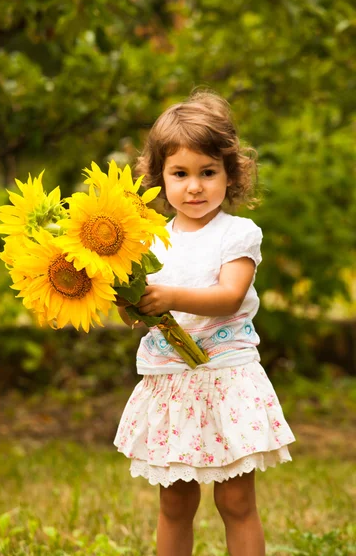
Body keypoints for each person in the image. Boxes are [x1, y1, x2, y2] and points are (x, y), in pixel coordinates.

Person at [114, 89, 295, 556]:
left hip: (226, 377)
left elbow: (229, 296)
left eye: (207, 173)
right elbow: (142, 308)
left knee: (236, 499)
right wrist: (130, 303)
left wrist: (170, 296)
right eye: (180, 174)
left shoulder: (237, 234)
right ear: (159, 179)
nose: (194, 187)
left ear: (230, 174)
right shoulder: (149, 241)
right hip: (171, 382)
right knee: (174, 501)